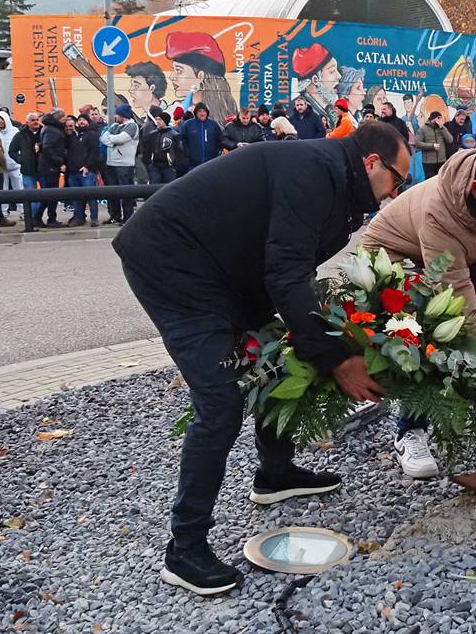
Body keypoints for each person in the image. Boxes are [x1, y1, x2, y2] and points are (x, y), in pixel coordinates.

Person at [113, 123, 410, 596]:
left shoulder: (338, 181)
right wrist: (337, 357)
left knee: (275, 357)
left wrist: (325, 331)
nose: (397, 192)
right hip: (172, 264)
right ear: (372, 163)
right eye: (398, 180)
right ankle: (184, 550)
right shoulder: (316, 171)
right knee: (221, 402)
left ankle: (275, 473)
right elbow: (286, 270)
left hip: (228, 270)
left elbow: (290, 267)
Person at [359, 144, 476, 478]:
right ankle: (410, 430)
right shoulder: (439, 214)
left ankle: (462, 398)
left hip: (448, 257)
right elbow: (458, 298)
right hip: (392, 257)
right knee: (426, 333)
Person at [166, 31, 237, 125]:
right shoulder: (174, 110)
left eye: (179, 71)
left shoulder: (227, 112)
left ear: (201, 76)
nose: (172, 77)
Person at [101, 104, 140, 224]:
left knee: (125, 193)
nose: (115, 116)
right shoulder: (114, 126)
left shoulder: (132, 126)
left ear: (122, 114)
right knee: (112, 192)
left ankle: (128, 217)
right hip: (111, 163)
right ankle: (114, 215)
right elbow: (103, 138)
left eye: (117, 114)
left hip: (125, 165)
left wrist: (111, 140)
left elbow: (121, 139)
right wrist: (114, 140)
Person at [66, 114, 102, 227]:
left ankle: (94, 218)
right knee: (76, 197)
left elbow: (94, 152)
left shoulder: (92, 134)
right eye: (80, 120)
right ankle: (78, 218)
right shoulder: (73, 135)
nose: (81, 122)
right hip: (73, 171)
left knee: (91, 196)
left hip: (87, 171)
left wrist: (87, 166)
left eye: (84, 120)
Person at [8, 112, 43, 224]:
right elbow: (12, 151)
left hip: (43, 169)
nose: (36, 121)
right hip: (28, 170)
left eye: (37, 119)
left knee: (44, 196)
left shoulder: (44, 132)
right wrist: (20, 159)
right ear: (27, 122)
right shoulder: (20, 135)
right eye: (32, 120)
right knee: (31, 196)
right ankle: (31, 220)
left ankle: (38, 218)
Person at [36, 109, 68, 228]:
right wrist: (60, 162)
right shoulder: (52, 130)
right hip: (49, 167)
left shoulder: (49, 128)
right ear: (58, 119)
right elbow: (48, 148)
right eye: (63, 117)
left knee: (48, 194)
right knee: (51, 194)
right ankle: (48, 218)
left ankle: (39, 217)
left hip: (48, 166)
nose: (65, 119)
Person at [179, 102, 222, 172]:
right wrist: (188, 154)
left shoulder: (213, 124)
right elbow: (182, 140)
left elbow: (219, 139)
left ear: (207, 112)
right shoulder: (188, 124)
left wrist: (216, 153)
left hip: (210, 162)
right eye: (199, 111)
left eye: (204, 111)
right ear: (195, 113)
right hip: (193, 164)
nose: (202, 113)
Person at [141, 108, 178, 184]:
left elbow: (178, 151)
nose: (157, 121)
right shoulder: (152, 134)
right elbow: (147, 149)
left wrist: (174, 163)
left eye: (160, 119)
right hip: (154, 166)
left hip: (169, 167)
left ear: (165, 121)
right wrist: (148, 162)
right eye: (157, 119)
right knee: (154, 187)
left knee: (168, 187)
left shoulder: (173, 135)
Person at [0, 111, 23, 214]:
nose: (1, 122)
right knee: (3, 191)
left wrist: (19, 159)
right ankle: (3, 212)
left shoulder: (15, 131)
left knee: (19, 189)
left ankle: (22, 211)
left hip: (16, 166)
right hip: (2, 167)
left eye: (2, 119)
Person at [413, 111, 451, 178]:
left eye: (440, 118)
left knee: (441, 181)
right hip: (429, 162)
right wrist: (432, 146)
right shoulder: (422, 129)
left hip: (442, 161)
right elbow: (417, 143)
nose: (440, 120)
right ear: (433, 119)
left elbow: (450, 140)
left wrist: (442, 128)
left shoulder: (442, 128)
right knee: (430, 182)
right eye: (438, 118)